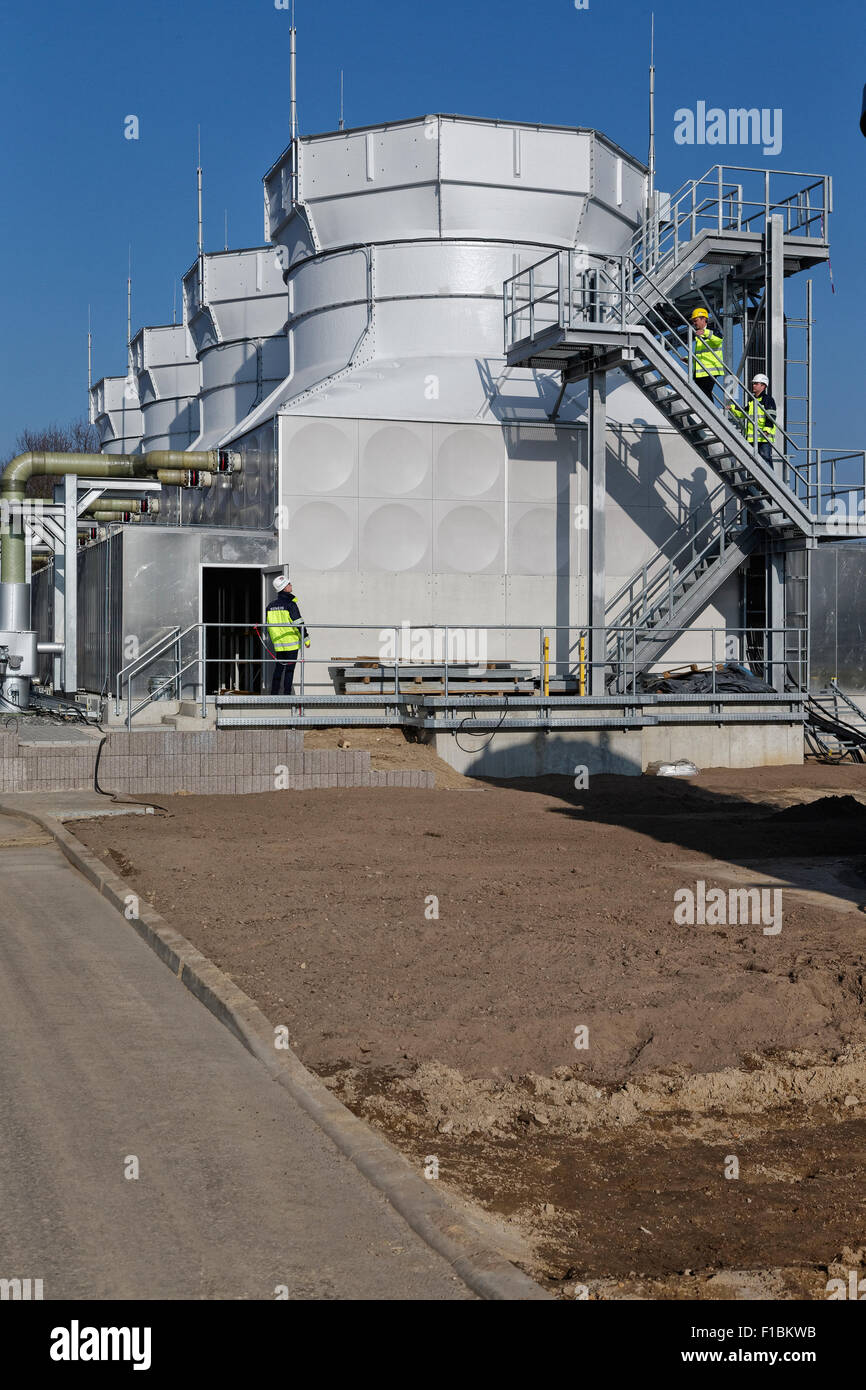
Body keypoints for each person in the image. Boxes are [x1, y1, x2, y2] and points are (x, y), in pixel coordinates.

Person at [266, 575, 310, 696]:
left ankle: (274, 694)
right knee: (289, 670)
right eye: (289, 584)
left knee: (278, 669)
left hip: (279, 644)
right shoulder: (290, 604)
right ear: (284, 588)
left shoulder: (270, 606)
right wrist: (306, 639)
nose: (291, 585)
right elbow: (299, 623)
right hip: (291, 643)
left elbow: (268, 625)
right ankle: (286, 694)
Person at [727, 372, 777, 464]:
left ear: (763, 386)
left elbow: (771, 416)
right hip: (752, 437)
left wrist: (766, 430)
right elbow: (744, 413)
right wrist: (733, 409)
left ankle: (767, 478)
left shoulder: (767, 399)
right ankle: (753, 478)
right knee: (752, 461)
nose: (753, 385)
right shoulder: (753, 401)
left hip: (763, 437)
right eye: (754, 383)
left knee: (765, 459)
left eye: (756, 383)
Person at [689, 307, 725, 405]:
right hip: (700, 371)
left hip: (710, 370)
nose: (694, 323)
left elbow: (719, 340)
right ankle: (707, 416)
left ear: (703, 319)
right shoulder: (698, 335)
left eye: (695, 320)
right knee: (698, 394)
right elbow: (700, 354)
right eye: (693, 321)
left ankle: (712, 416)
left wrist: (706, 333)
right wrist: (689, 359)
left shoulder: (713, 330)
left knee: (705, 392)